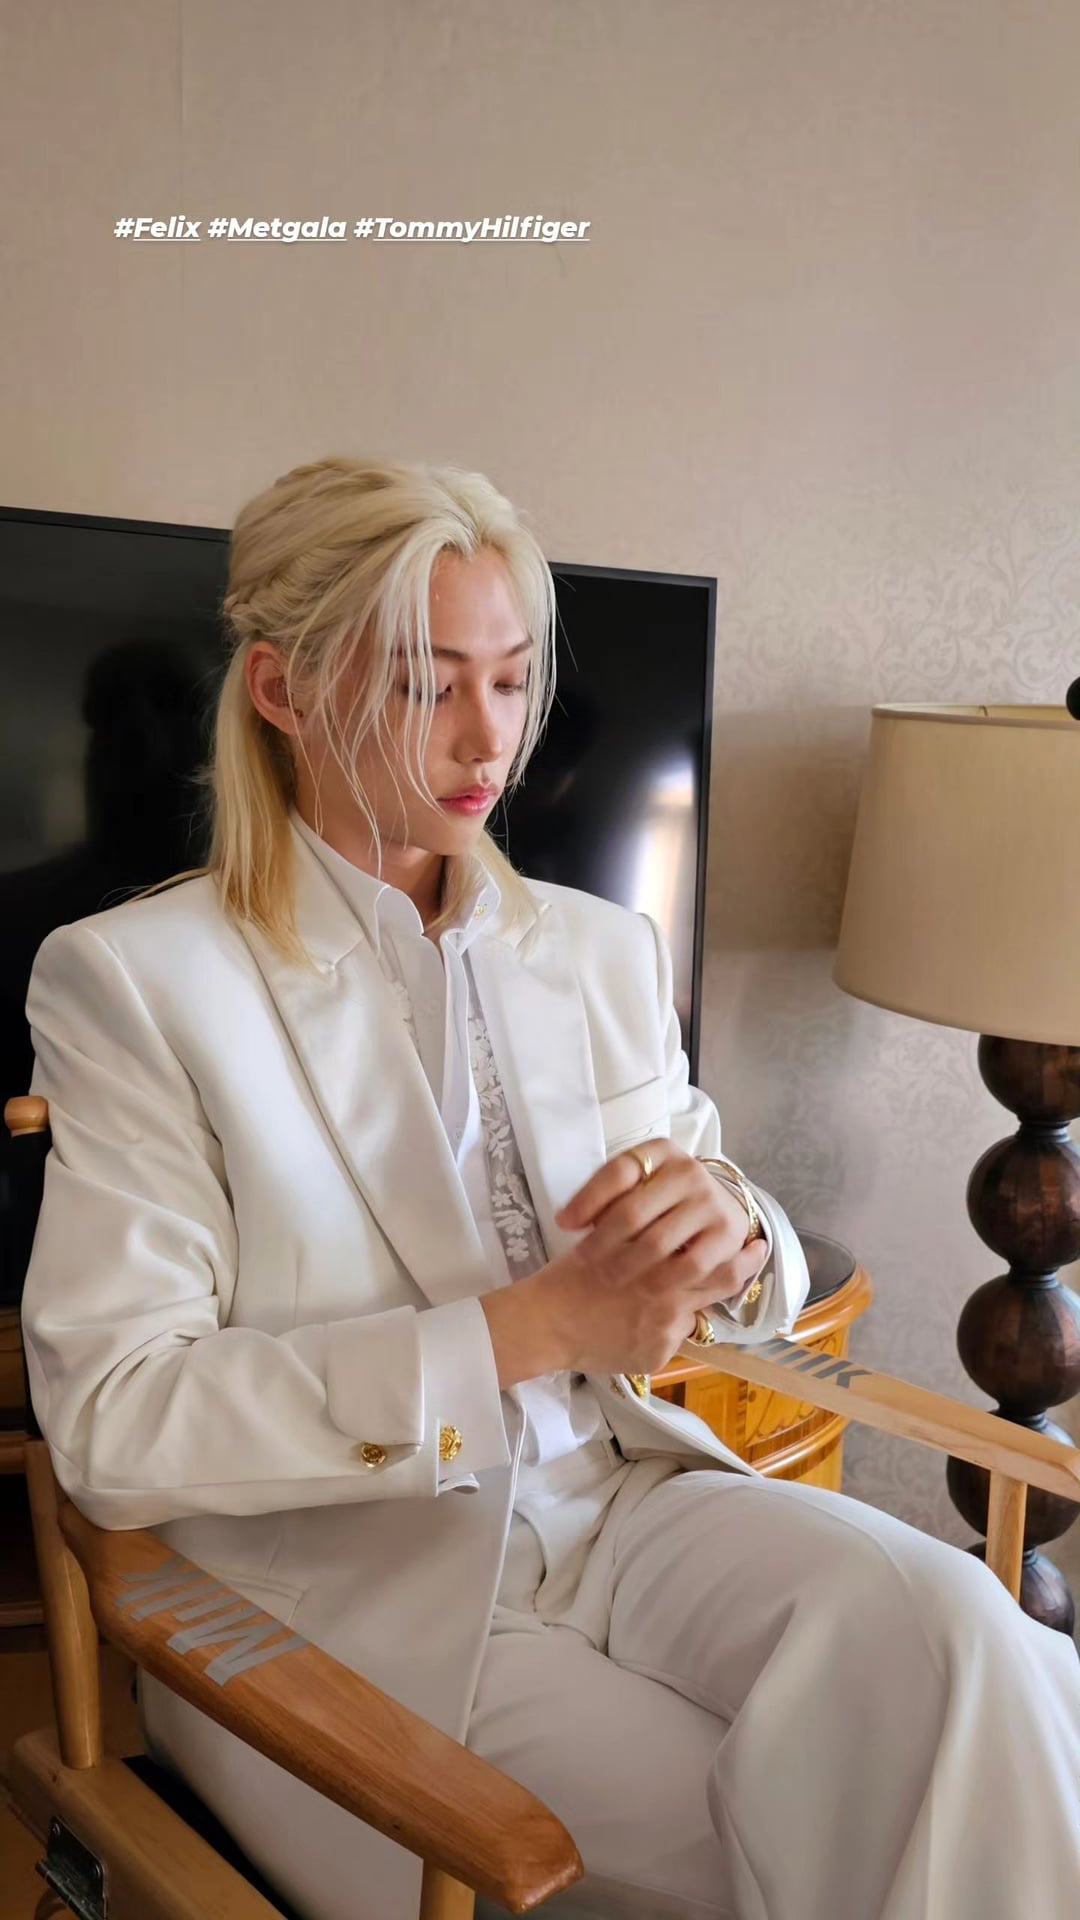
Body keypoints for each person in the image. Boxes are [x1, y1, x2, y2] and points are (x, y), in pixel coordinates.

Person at [20, 456, 1080, 1920]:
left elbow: (736, 1258)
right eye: (427, 685)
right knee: (825, 1833)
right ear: (281, 690)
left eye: (514, 680)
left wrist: (732, 1231)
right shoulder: (138, 983)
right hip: (351, 1595)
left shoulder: (596, 951)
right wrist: (527, 1331)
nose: (490, 739)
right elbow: (116, 1423)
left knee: (975, 1640)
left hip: (627, 1501)